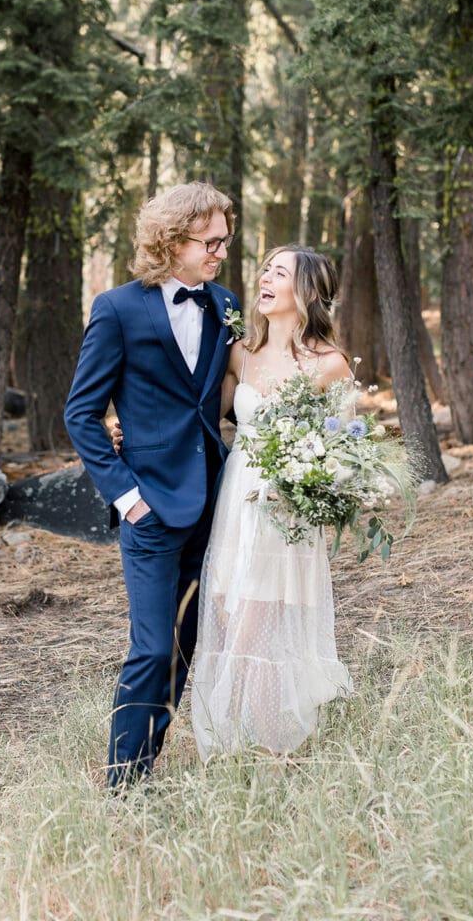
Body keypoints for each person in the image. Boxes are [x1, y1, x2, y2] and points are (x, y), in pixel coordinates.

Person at [64, 182, 240, 787]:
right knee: (152, 649)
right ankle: (120, 787)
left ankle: (145, 767)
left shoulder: (225, 306)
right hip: (150, 509)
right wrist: (126, 496)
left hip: (213, 504)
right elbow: (80, 413)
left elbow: (230, 400)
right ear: (172, 240)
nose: (220, 251)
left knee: (186, 647)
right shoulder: (117, 309)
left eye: (225, 240)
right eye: (210, 240)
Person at [190, 245, 353, 760]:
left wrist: (305, 483)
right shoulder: (240, 352)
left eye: (278, 272)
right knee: (228, 611)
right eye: (264, 269)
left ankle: (256, 751)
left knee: (253, 626)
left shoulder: (329, 366)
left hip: (283, 513)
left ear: (303, 292)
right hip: (236, 501)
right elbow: (200, 417)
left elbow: (351, 451)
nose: (264, 278)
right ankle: (255, 749)